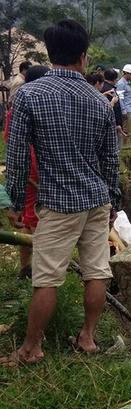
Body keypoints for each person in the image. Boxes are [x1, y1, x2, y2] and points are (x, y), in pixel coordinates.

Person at [2, 19, 119, 367]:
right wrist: (114, 201)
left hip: (59, 202)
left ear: (51, 54)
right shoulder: (99, 102)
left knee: (46, 277)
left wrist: (13, 202)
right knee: (97, 270)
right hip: (97, 199)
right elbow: (111, 160)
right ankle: (87, 338)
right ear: (83, 57)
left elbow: (18, 157)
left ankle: (31, 349)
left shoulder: (30, 95)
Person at [3, 65, 49, 279]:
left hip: (34, 169)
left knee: (33, 219)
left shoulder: (21, 107)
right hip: (31, 169)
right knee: (33, 219)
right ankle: (34, 270)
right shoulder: (29, 107)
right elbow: (14, 145)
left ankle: (29, 269)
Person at [101, 69, 126, 142]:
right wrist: (117, 123)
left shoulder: (103, 88)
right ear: (115, 79)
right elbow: (114, 108)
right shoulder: (110, 91)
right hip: (113, 125)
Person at [116, 64, 131, 144]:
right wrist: (123, 111)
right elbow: (120, 98)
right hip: (126, 110)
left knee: (128, 129)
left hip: (129, 109)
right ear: (126, 73)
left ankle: (126, 144)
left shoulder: (127, 83)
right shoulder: (121, 84)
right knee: (125, 129)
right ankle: (124, 146)